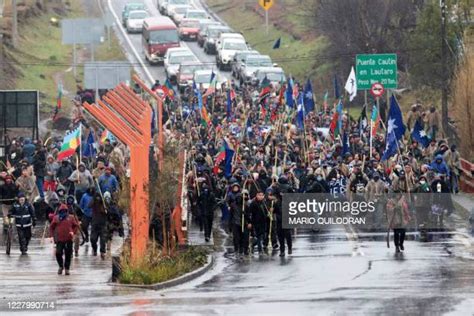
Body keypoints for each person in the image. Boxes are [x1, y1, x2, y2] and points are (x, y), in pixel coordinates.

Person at [50, 204, 79, 275]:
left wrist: (73, 232)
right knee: (58, 253)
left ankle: (67, 268)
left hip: (68, 239)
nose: (63, 212)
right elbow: (51, 227)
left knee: (68, 254)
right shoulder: (56, 218)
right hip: (59, 239)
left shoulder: (71, 217)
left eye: (65, 211)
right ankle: (60, 266)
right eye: (62, 211)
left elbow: (75, 225)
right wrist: (51, 236)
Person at [89, 192, 108, 259]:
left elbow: (108, 211)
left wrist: (104, 205)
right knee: (92, 239)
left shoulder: (104, 203)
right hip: (94, 224)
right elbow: (89, 205)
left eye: (98, 198)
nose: (97, 199)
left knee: (103, 240)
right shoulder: (93, 203)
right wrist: (94, 199)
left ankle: (102, 252)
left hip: (102, 224)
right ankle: (95, 249)